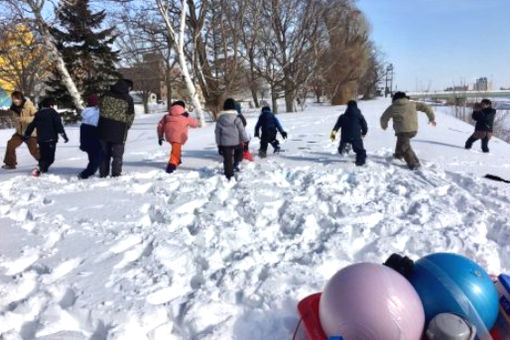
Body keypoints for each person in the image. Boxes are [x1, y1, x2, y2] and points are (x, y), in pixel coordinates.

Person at [380, 92, 436, 170]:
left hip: (402, 131)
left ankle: (414, 164)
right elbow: (425, 107)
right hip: (414, 130)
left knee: (405, 147)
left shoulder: (393, 107)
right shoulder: (413, 104)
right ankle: (398, 155)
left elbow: (383, 118)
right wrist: (431, 118)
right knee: (402, 141)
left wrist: (384, 126)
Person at [97, 79, 135, 177]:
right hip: (120, 129)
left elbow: (99, 107)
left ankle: (103, 173)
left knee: (104, 152)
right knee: (117, 154)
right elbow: (130, 115)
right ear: (128, 87)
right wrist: (127, 126)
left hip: (103, 127)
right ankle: (116, 174)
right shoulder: (128, 98)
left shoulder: (106, 94)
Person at [23, 97, 68, 176]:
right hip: (51, 139)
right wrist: (64, 136)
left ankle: (42, 170)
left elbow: (32, 125)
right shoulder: (53, 113)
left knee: (43, 156)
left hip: (41, 140)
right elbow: (59, 126)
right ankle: (39, 168)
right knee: (50, 159)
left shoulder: (38, 114)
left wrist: (27, 134)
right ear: (51, 105)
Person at [157, 101, 199, 174]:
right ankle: (171, 166)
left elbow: (160, 126)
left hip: (169, 136)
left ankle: (178, 160)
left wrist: (160, 136)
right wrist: (188, 116)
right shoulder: (185, 116)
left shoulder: (166, 116)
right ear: (183, 107)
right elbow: (195, 124)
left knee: (176, 148)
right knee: (175, 151)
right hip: (179, 136)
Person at [2, 91, 40, 169]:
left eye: (17, 99)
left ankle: (44, 161)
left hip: (31, 133)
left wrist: (23, 119)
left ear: (21, 99)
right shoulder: (13, 108)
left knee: (33, 150)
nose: (15, 101)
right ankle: (10, 164)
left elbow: (37, 117)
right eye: (13, 99)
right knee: (10, 144)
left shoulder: (29, 105)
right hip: (20, 133)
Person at [215, 98, 249, 180]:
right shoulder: (237, 118)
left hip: (225, 144)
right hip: (236, 142)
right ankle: (236, 164)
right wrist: (246, 141)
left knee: (227, 160)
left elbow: (217, 133)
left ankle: (229, 175)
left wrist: (219, 145)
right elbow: (242, 131)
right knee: (239, 153)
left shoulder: (220, 119)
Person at [330, 100, 368, 166]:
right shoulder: (359, 116)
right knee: (360, 150)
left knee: (341, 149)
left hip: (345, 137)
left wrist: (332, 136)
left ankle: (344, 148)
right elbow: (365, 126)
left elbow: (336, 127)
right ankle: (361, 161)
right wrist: (364, 133)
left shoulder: (342, 117)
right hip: (356, 137)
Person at [78, 94, 102, 179]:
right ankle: (85, 174)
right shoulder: (97, 112)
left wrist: (82, 143)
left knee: (92, 158)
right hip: (95, 136)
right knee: (97, 159)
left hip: (86, 137)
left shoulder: (85, 112)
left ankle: (90, 171)